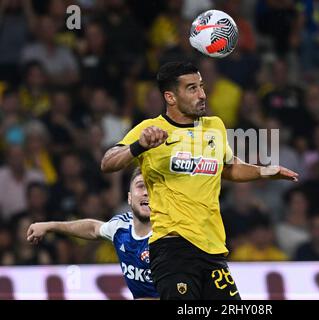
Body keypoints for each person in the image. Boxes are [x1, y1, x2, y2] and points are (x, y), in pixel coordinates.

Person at [100, 61, 299, 300]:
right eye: (192, 88)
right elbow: (107, 163)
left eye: (202, 86)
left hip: (213, 250)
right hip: (173, 250)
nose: (203, 94)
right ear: (170, 97)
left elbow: (230, 168)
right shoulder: (150, 128)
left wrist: (266, 171)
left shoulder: (214, 126)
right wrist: (138, 146)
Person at [26, 167, 159, 300]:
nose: (146, 192)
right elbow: (93, 228)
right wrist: (49, 226)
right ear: (129, 198)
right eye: (141, 186)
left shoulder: (172, 232)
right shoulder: (121, 226)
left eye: (151, 187)